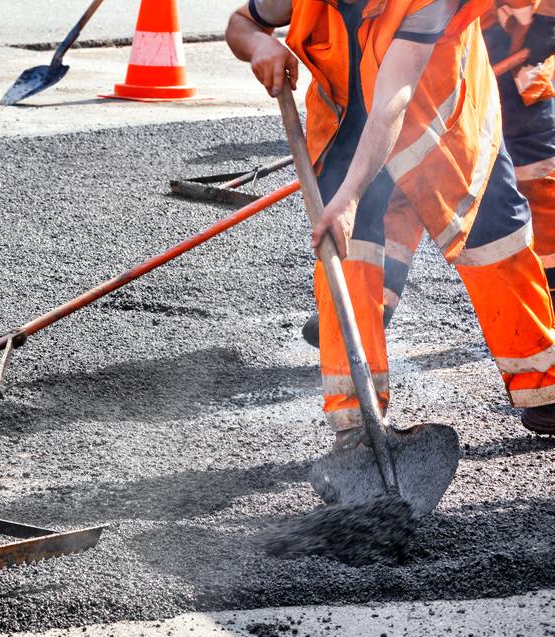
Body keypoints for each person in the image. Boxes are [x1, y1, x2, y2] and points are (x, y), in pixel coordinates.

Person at [227, 0, 555, 442]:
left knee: (494, 240)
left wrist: (347, 198)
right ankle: (357, 427)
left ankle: (546, 393)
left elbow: (392, 99)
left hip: (443, 122)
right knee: (349, 257)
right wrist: (257, 45)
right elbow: (241, 22)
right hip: (348, 125)